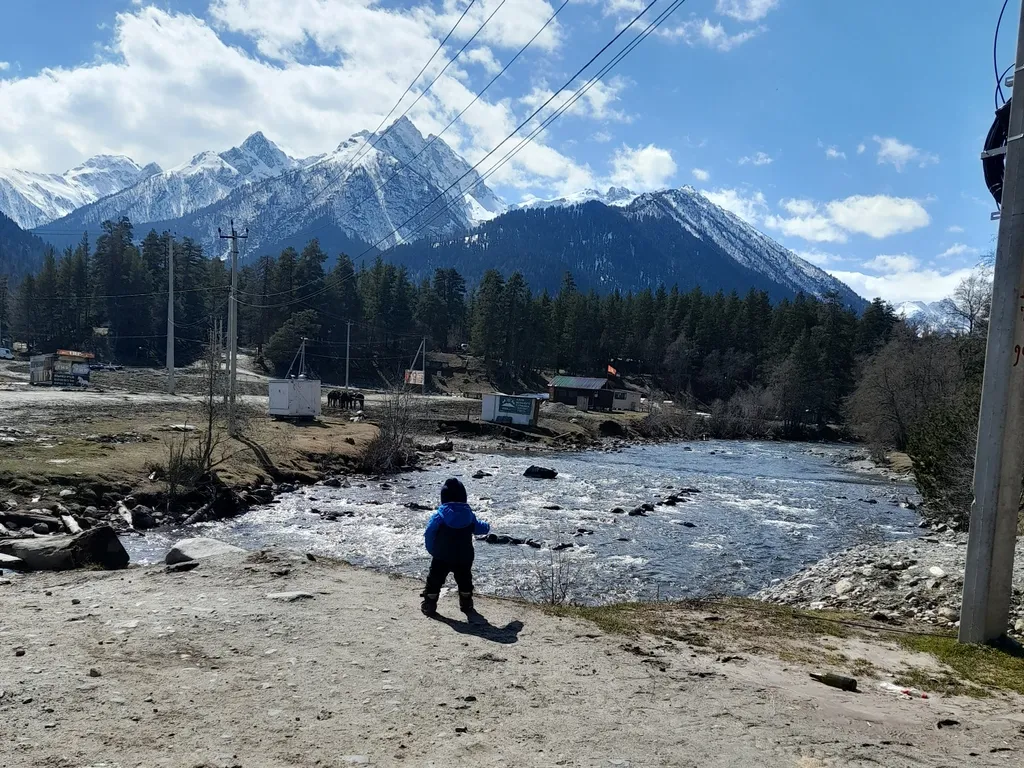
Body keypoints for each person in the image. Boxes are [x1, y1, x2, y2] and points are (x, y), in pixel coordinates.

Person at [421, 478, 490, 616]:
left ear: (443, 498)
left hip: (441, 555)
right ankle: (466, 602)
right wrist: (487, 525)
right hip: (464, 555)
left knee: (434, 579)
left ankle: (430, 603)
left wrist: (431, 549)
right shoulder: (469, 515)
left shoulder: (439, 516)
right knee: (465, 579)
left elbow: (429, 533)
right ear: (464, 497)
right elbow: (480, 529)